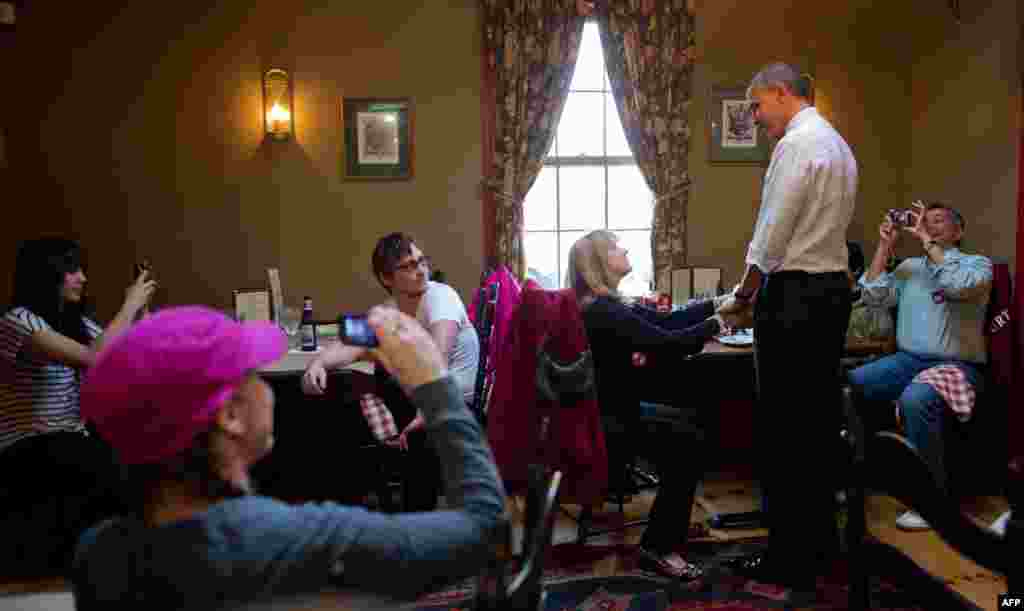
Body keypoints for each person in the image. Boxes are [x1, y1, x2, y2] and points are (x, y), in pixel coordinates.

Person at [72, 305, 505, 609]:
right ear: (231, 416)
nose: (264, 387)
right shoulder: (289, 539)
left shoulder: (98, 554)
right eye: (253, 376)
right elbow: (487, 529)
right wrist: (435, 384)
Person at [717, 62, 857, 592]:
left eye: (756, 105)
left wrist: (743, 294)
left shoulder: (796, 146)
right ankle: (821, 546)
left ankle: (788, 559)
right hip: (829, 295)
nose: (754, 117)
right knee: (816, 428)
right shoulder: (839, 145)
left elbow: (771, 234)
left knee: (783, 432)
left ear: (781, 93)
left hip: (794, 294)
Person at [567, 230, 751, 581]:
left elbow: (666, 323)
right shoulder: (604, 311)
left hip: (612, 411)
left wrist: (717, 303)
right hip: (609, 421)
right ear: (601, 261)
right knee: (688, 441)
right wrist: (721, 322)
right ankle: (659, 548)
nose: (625, 249)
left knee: (689, 428)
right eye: (617, 246)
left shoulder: (604, 303)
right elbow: (668, 343)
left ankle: (662, 540)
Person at [0, 237, 155, 574]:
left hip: (73, 439)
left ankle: (126, 571)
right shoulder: (18, 322)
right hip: (27, 444)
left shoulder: (78, 324)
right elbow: (93, 357)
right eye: (72, 269)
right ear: (47, 274)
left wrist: (142, 310)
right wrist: (128, 306)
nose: (82, 277)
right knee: (110, 470)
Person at [302, 232, 479, 511]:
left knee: (398, 406)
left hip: (454, 402)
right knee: (337, 406)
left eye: (422, 261)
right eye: (408, 266)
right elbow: (348, 341)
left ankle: (416, 523)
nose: (421, 270)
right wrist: (318, 364)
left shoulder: (441, 297)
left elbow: (437, 358)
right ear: (387, 278)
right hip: (417, 396)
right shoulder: (389, 309)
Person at [847, 201, 991, 531]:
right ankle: (861, 475)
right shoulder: (910, 267)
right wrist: (885, 244)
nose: (930, 226)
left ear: (959, 231)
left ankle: (931, 501)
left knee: (916, 399)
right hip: (907, 360)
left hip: (956, 365)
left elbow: (958, 286)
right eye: (926, 221)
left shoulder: (975, 265)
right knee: (853, 384)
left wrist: (927, 243)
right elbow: (872, 296)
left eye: (939, 221)